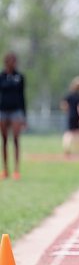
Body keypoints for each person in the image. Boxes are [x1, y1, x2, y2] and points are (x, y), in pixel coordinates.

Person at [0, 52, 26, 180]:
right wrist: (11, 82)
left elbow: (22, 96)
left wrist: (24, 116)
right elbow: (3, 87)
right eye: (11, 61)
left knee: (16, 139)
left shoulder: (20, 77)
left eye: (15, 61)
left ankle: (16, 170)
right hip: (3, 111)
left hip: (16, 111)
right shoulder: (2, 76)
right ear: (6, 62)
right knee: (4, 140)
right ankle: (5, 170)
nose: (13, 63)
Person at [60, 76, 79, 157]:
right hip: (77, 116)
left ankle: (66, 148)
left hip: (70, 115)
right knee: (77, 134)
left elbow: (63, 104)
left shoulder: (69, 95)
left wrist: (67, 110)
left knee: (68, 133)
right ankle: (77, 151)